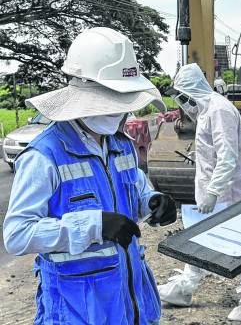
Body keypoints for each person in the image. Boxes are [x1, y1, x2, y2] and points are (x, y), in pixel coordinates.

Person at [3, 27, 177, 325]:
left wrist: (152, 202)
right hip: (78, 310)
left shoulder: (121, 146)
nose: (116, 111)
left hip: (131, 303)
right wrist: (93, 225)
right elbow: (17, 235)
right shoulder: (44, 155)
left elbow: (135, 191)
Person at [158, 63, 241, 322]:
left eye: (182, 98)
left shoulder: (219, 110)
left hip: (230, 191)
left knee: (240, 244)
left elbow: (228, 157)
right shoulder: (207, 109)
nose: (183, 104)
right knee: (201, 238)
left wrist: (213, 192)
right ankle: (184, 288)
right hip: (217, 190)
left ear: (189, 93)